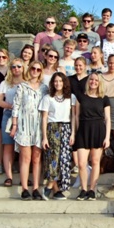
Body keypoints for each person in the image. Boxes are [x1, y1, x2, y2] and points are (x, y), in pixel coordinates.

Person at [10, 61, 48, 200]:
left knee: (37, 158)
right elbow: (16, 106)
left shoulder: (44, 88)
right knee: (25, 158)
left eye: (38, 69)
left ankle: (36, 187)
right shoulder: (22, 87)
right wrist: (14, 125)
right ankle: (25, 188)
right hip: (24, 124)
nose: (35, 71)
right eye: (33, 68)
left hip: (38, 125)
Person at [74, 73, 111, 201]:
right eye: (91, 79)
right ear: (88, 81)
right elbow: (76, 116)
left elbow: (107, 118)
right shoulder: (80, 97)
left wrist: (107, 137)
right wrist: (76, 132)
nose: (93, 82)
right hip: (83, 130)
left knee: (95, 162)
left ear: (99, 82)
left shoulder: (104, 98)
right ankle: (83, 189)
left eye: (96, 80)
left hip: (98, 130)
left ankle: (92, 189)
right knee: (81, 163)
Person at [39, 72, 76, 200]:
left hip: (66, 128)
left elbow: (73, 116)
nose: (58, 83)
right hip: (52, 127)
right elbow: (44, 118)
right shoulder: (47, 98)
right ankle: (49, 186)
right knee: (54, 157)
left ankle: (56, 189)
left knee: (64, 159)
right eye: (55, 81)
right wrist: (44, 136)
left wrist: (73, 133)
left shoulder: (71, 97)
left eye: (60, 81)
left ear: (64, 82)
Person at [0, 58, 24, 187]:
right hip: (8, 115)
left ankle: (23, 177)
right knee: (8, 146)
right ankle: (9, 177)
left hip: (24, 117)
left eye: (19, 66)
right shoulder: (5, 83)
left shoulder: (27, 83)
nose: (16, 69)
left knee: (24, 148)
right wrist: (12, 106)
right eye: (13, 67)